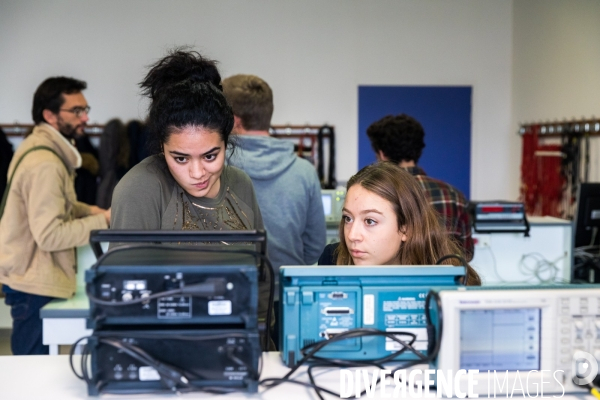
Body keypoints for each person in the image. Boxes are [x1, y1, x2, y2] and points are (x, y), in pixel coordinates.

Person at [110, 50, 271, 343]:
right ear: (162, 146)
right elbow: (124, 298)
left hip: (241, 349)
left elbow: (259, 282)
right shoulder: (140, 189)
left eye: (211, 155)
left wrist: (260, 344)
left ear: (227, 141)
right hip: (168, 351)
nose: (198, 172)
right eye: (181, 159)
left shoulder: (240, 184)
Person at [0, 77, 111, 355]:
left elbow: (62, 205)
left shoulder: (43, 151)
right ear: (49, 115)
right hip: (33, 285)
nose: (85, 117)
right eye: (76, 111)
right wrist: (104, 221)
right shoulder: (46, 164)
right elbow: (50, 234)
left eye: (85, 109)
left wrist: (93, 211)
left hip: (30, 279)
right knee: (31, 373)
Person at [222, 74, 326, 290]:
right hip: (288, 295)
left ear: (233, 120)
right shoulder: (304, 171)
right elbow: (315, 247)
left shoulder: (211, 168)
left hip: (230, 294)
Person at [318, 162, 480, 286]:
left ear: (406, 228)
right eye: (348, 218)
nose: (352, 235)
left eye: (370, 221)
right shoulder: (332, 260)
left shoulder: (452, 279)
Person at [366, 114, 474, 260]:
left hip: (393, 281)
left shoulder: (374, 195)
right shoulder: (454, 196)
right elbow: (466, 255)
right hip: (445, 281)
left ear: (382, 154)